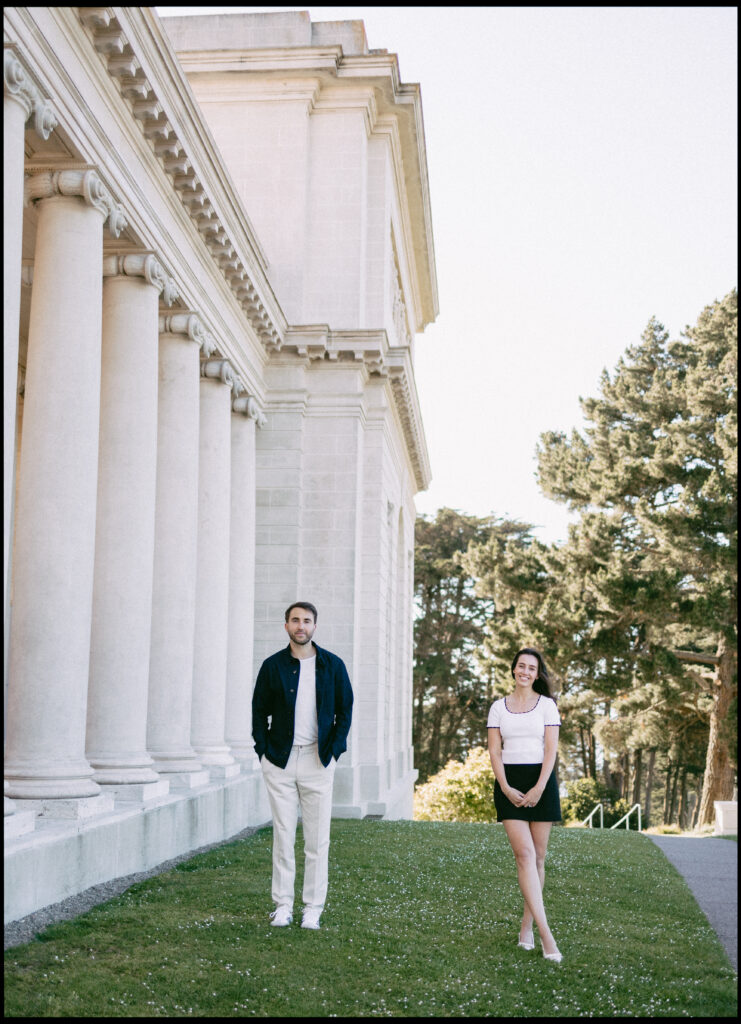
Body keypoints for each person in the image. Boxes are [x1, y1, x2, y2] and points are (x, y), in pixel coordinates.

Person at [252, 601, 353, 930]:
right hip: (280, 760)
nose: (301, 626)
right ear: (286, 626)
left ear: (314, 626)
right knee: (283, 835)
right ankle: (283, 905)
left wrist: (334, 751)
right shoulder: (272, 666)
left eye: (306, 621)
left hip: (317, 759)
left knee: (317, 839)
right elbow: (258, 711)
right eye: (295, 620)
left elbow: (345, 711)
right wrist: (263, 752)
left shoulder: (333, 666)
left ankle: (313, 908)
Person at [487, 646, 563, 962]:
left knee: (539, 857)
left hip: (541, 782)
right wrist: (505, 787)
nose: (525, 672)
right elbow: (494, 752)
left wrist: (538, 788)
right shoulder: (498, 708)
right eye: (521, 666)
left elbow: (550, 751)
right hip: (510, 784)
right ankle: (548, 938)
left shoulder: (547, 706)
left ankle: (527, 926)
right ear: (513, 669)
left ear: (537, 673)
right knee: (525, 854)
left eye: (532, 668)